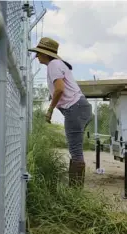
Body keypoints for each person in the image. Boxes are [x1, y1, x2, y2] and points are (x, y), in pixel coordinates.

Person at [28, 37, 92, 188]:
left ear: (45, 54)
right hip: (79, 107)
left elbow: (60, 89)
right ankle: (74, 189)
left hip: (75, 108)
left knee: (75, 151)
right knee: (74, 148)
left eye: (38, 53)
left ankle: (75, 195)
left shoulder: (53, 65)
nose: (36, 56)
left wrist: (50, 110)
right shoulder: (57, 64)